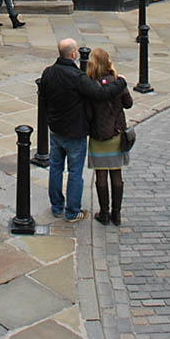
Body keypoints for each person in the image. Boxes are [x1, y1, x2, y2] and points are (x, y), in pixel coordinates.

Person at [40, 38, 128, 222]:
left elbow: (44, 98)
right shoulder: (77, 78)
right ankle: (72, 211)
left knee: (55, 168)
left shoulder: (48, 73)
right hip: (75, 132)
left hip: (56, 130)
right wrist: (120, 83)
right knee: (74, 172)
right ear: (73, 55)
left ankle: (57, 206)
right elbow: (100, 94)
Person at [85, 47, 133, 226]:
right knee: (116, 174)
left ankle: (104, 213)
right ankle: (116, 214)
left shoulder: (91, 85)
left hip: (98, 135)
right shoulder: (117, 82)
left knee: (101, 175)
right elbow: (128, 104)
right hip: (116, 133)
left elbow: (88, 114)